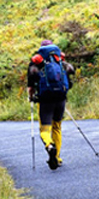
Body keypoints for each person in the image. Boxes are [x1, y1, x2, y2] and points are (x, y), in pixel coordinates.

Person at [27, 40, 74, 170]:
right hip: (61, 98)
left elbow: (30, 86)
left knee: (45, 129)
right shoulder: (59, 60)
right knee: (57, 127)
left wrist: (31, 97)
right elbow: (70, 74)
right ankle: (57, 157)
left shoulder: (36, 62)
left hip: (45, 100)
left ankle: (49, 146)